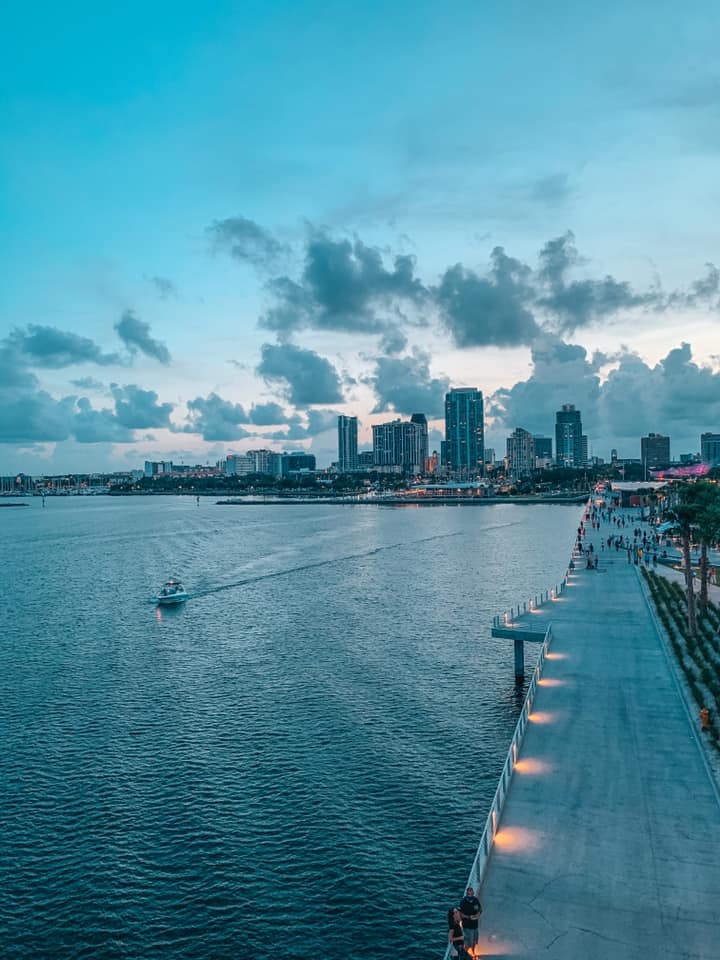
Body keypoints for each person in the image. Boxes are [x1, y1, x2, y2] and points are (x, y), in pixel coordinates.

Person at [460, 886, 482, 956]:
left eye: (471, 893)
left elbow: (480, 910)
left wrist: (477, 916)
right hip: (467, 926)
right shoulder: (463, 902)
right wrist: (469, 917)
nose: (470, 895)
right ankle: (464, 955)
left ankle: (473, 951)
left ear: (473, 893)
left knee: (475, 941)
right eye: (469, 894)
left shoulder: (475, 900)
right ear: (467, 894)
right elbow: (460, 914)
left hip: (475, 925)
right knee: (468, 943)